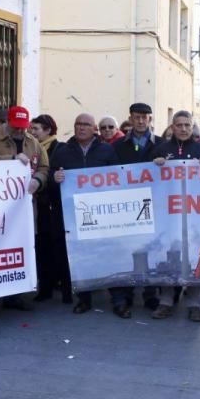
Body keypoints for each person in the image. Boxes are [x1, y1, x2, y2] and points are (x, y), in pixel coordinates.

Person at [51, 114, 125, 315]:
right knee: (82, 257)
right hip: (75, 215)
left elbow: (117, 178)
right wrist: (54, 178)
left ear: (94, 128)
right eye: (78, 124)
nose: (81, 128)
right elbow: (51, 177)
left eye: (86, 125)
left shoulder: (107, 150)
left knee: (108, 255)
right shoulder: (62, 151)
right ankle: (84, 299)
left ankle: (118, 300)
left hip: (102, 214)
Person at [0, 106, 48, 312]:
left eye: (23, 127)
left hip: (23, 207)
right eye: (15, 127)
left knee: (20, 248)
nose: (19, 131)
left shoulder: (33, 142)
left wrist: (38, 181)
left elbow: (44, 167)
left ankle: (14, 296)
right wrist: (10, 160)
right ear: (7, 122)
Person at [151, 111, 200, 321]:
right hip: (168, 214)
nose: (184, 129)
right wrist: (155, 164)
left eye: (187, 125)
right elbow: (146, 176)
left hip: (195, 213)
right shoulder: (162, 149)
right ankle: (166, 301)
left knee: (194, 256)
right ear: (172, 127)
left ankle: (194, 303)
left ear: (192, 126)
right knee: (168, 255)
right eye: (180, 125)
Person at [29, 114, 68, 304]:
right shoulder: (30, 148)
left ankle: (54, 284)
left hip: (51, 206)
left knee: (51, 245)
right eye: (31, 128)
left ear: (48, 130)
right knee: (41, 247)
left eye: (36, 129)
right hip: (36, 205)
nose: (32, 132)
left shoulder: (59, 149)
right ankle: (45, 285)